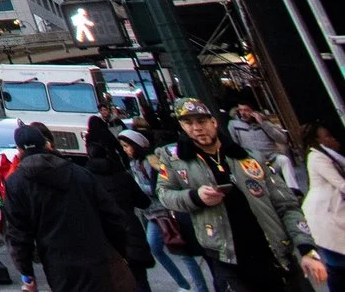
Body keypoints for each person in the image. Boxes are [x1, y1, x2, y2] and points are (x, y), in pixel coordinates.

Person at [154, 98, 324, 292]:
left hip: (272, 252)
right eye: (188, 123)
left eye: (201, 121)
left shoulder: (248, 156)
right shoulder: (175, 160)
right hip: (227, 257)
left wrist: (306, 249)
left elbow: (286, 205)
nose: (196, 128)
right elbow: (164, 193)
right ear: (182, 126)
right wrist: (195, 197)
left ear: (213, 122)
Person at [6, 121, 139, 292]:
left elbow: (18, 233)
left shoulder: (16, 183)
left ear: (19, 150)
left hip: (60, 266)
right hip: (99, 258)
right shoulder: (79, 173)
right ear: (46, 144)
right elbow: (113, 216)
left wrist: (27, 273)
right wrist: (121, 250)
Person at [137, 127, 214, 292]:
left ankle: (198, 287)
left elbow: (157, 189)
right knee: (203, 254)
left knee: (190, 252)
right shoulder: (181, 157)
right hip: (178, 213)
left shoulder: (159, 162)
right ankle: (194, 287)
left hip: (172, 213)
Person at [88, 115, 160, 289]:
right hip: (130, 230)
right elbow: (143, 202)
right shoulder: (123, 176)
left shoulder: (87, 181)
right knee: (140, 279)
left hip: (105, 238)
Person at [305, 125, 345, 286]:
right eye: (326, 136)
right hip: (324, 216)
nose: (331, 139)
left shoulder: (331, 156)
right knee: (337, 266)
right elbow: (341, 184)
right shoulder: (317, 158)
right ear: (317, 140)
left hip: (334, 214)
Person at [233, 108, 302, 197]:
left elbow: (282, 139)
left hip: (271, 159)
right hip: (254, 164)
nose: (243, 113)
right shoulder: (235, 125)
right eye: (240, 110)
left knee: (284, 160)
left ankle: (294, 191)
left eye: (246, 110)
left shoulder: (265, 123)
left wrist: (263, 124)